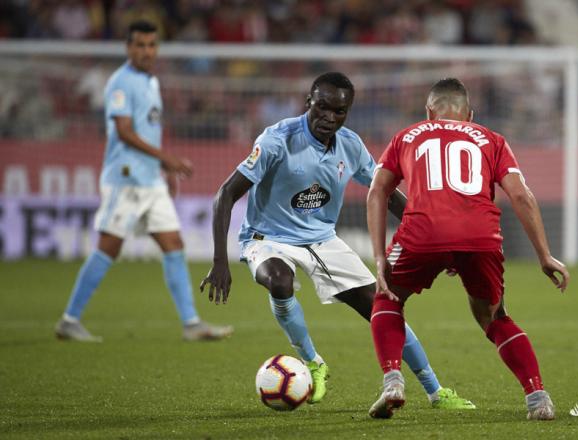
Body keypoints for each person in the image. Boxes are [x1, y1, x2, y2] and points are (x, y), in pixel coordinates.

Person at [200, 72, 473, 408]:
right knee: (280, 282)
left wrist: (438, 242)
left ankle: (435, 390)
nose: (329, 117)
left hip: (323, 239)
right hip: (268, 237)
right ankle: (314, 363)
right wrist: (219, 261)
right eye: (322, 108)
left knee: (383, 307)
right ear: (308, 103)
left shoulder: (351, 146)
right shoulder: (276, 140)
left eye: (338, 112)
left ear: (348, 112)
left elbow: (386, 193)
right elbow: (225, 194)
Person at [366, 78, 569, 420]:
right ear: (470, 115)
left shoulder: (407, 136)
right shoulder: (493, 139)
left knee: (387, 298)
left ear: (429, 112)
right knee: (494, 316)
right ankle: (538, 397)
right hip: (480, 237)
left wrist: (378, 256)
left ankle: (392, 382)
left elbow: (377, 192)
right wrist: (544, 255)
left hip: (422, 233)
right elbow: (521, 195)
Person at [55, 20, 233, 342]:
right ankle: (69, 319)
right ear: (128, 47)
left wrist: (162, 171)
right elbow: (124, 131)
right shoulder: (121, 82)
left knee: (173, 245)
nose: (146, 51)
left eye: (152, 45)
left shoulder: (151, 81)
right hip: (125, 178)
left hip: (149, 179)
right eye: (140, 45)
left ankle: (191, 323)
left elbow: (148, 129)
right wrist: (167, 159)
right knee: (109, 247)